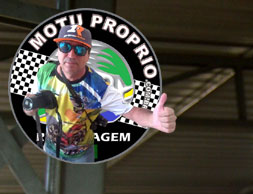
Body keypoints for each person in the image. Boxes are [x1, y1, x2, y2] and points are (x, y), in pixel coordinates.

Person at [24, 25, 176, 163]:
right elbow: (30, 103)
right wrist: (29, 107)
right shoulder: (45, 72)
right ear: (58, 50)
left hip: (81, 157)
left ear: (88, 55)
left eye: (80, 49)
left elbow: (132, 112)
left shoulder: (98, 87)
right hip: (49, 148)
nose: (71, 54)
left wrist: (153, 120)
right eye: (65, 46)